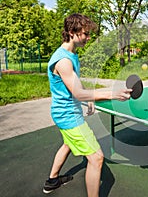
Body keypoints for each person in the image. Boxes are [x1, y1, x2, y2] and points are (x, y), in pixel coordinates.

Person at [43, 13, 132, 196]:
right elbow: (78, 93)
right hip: (68, 116)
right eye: (85, 33)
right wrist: (112, 94)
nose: (88, 38)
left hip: (63, 112)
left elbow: (75, 84)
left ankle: (52, 181)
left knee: (67, 144)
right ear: (71, 32)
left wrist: (90, 99)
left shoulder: (71, 54)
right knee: (97, 158)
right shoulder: (64, 61)